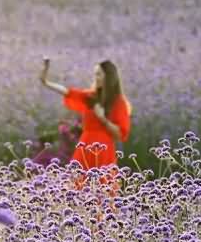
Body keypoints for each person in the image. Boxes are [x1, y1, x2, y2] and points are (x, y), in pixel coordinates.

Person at [39, 57, 132, 197]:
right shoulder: (90, 96)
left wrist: (103, 119)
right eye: (95, 74)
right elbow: (68, 92)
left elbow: (120, 134)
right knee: (77, 188)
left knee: (103, 190)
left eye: (99, 74)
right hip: (84, 147)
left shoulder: (118, 103)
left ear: (109, 77)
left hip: (104, 151)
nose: (96, 77)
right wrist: (46, 81)